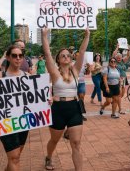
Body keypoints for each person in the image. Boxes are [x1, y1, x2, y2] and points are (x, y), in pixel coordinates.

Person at [42, 27, 90, 171]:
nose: (66, 57)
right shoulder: (54, 72)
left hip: (74, 108)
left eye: (68, 55)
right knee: (54, 140)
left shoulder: (75, 71)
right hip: (58, 109)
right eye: (62, 55)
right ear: (58, 59)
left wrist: (87, 35)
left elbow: (81, 52)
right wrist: (44, 35)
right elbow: (47, 53)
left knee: (76, 143)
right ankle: (49, 156)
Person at [0, 45, 30, 171]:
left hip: (23, 120)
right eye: (14, 55)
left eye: (20, 56)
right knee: (14, 158)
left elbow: (33, 99)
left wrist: (46, 101)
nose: (18, 58)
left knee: (16, 156)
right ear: (8, 57)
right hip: (6, 121)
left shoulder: (28, 76)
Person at [112, 44, 130, 114]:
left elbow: (128, 56)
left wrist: (128, 50)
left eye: (120, 57)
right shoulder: (114, 62)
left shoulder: (123, 61)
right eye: (118, 57)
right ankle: (120, 109)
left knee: (122, 94)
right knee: (119, 94)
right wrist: (117, 47)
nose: (119, 58)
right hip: (118, 79)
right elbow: (113, 54)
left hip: (124, 79)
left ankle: (114, 101)